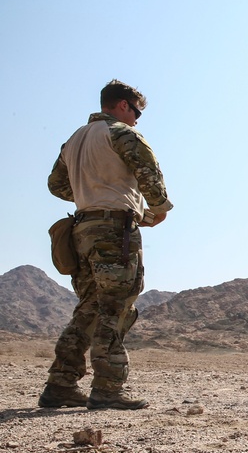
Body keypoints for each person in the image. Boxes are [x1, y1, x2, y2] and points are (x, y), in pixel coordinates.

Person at [39, 79, 173, 410]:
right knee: (115, 306)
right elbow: (149, 174)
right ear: (122, 106)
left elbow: (56, 185)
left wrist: (91, 192)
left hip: (81, 229)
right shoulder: (122, 133)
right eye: (137, 110)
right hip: (115, 230)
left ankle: (60, 384)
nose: (138, 118)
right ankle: (108, 388)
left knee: (89, 307)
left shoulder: (73, 140)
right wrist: (156, 210)